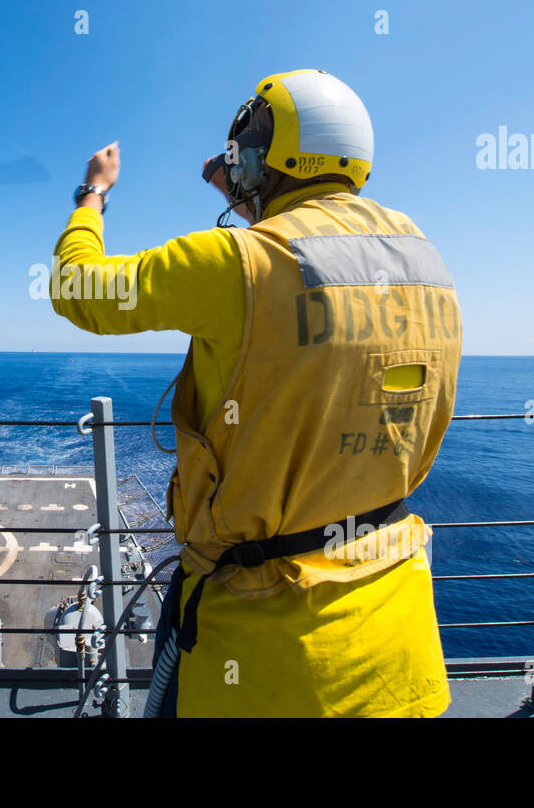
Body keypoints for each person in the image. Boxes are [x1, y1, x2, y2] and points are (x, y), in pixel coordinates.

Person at [50, 69, 462, 717]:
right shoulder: (428, 263)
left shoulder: (236, 263)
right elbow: (309, 269)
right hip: (397, 645)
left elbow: (79, 288)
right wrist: (255, 195)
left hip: (264, 659)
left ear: (270, 152)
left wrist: (93, 193)